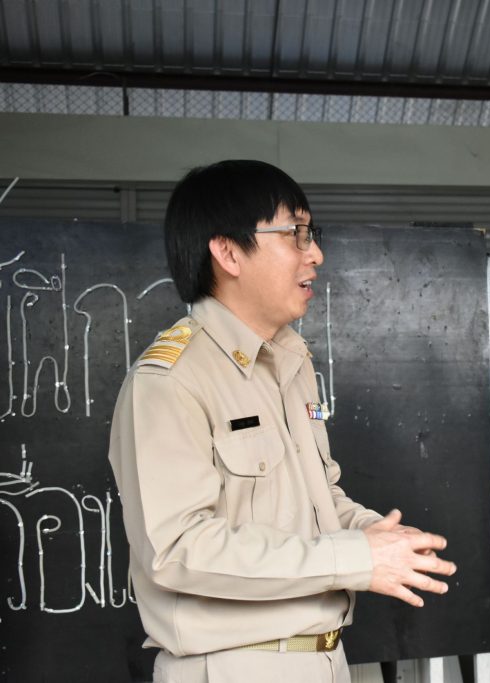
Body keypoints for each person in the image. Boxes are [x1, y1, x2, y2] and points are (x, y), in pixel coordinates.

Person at [108, 160, 457, 683]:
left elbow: (321, 497)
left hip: (326, 658)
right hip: (232, 667)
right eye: (295, 233)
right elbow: (179, 550)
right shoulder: (169, 381)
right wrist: (351, 558)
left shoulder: (291, 364)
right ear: (227, 252)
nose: (315, 253)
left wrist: (373, 536)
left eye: (311, 233)